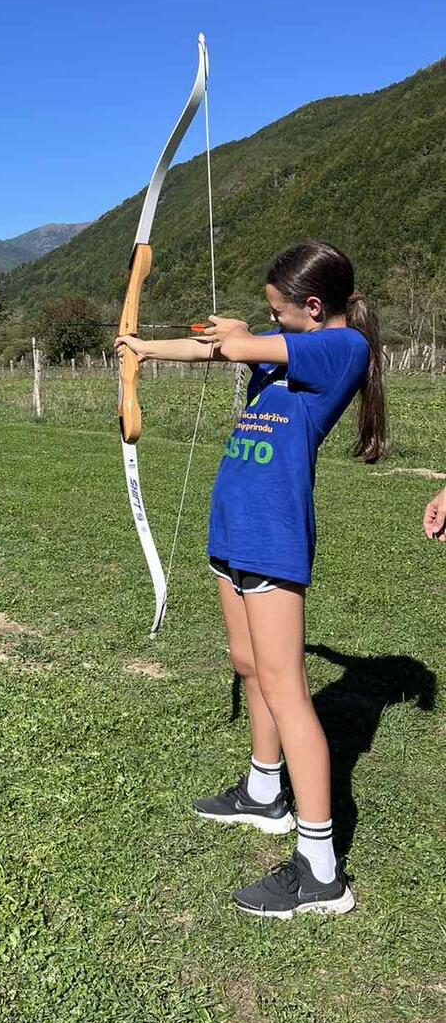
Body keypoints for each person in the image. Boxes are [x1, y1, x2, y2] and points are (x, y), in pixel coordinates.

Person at [116, 242, 385, 918]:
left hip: (273, 534)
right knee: (248, 663)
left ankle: (320, 868)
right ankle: (266, 793)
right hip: (235, 523)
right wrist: (142, 348)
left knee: (288, 689)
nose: (270, 319)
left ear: (313, 307)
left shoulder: (342, 347)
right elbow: (218, 350)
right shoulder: (285, 342)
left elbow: (234, 348)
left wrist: (238, 336)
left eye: (278, 310)